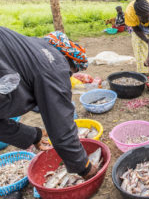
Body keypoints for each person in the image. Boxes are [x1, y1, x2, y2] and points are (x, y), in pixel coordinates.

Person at [0, 27, 98, 180]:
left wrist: (34, 135)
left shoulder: (32, 47)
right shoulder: (56, 66)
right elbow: (61, 127)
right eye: (71, 71)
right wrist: (84, 167)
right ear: (68, 61)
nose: (69, 75)